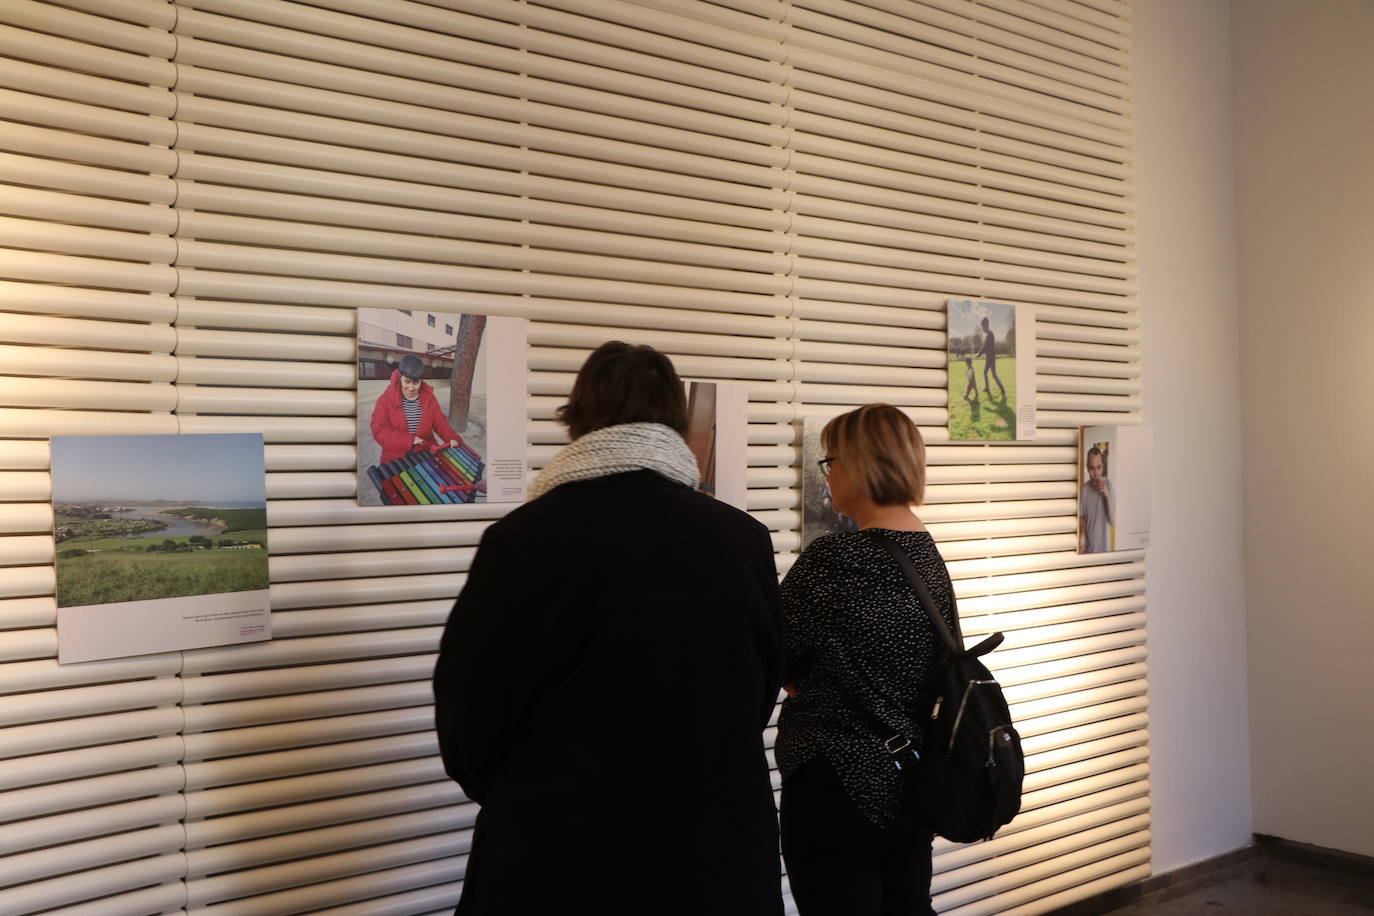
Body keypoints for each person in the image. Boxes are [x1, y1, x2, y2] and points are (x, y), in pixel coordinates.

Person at [433, 341, 785, 916]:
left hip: (559, 856)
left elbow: (469, 718)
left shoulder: (522, 541)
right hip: (714, 853)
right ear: (674, 420)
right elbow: (760, 687)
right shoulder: (741, 539)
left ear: (580, 417)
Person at [777, 404, 957, 916]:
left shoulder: (837, 558)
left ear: (860, 466)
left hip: (837, 781)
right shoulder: (925, 550)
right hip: (911, 777)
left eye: (831, 462)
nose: (828, 476)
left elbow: (775, 653)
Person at [370, 353, 459, 464]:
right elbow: (379, 431)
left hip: (424, 453)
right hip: (396, 458)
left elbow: (439, 421)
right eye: (407, 381)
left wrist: (450, 437)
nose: (411, 388)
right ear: (400, 377)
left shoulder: (429, 398)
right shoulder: (385, 400)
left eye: (416, 382)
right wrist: (409, 440)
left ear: (421, 380)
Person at [1079, 445, 1116, 553]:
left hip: (1105, 552)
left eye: (1099, 467)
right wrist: (1082, 535)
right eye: (1092, 468)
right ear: (1087, 468)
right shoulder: (1084, 489)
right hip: (1088, 552)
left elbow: (1113, 522)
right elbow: (1082, 516)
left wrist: (1107, 496)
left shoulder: (1109, 485)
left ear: (1103, 467)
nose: (1096, 473)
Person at [980, 316, 1006, 399]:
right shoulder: (988, 335)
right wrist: (979, 352)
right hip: (988, 359)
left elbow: (986, 346)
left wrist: (979, 353)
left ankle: (1003, 392)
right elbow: (984, 345)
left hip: (991, 360)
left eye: (983, 327)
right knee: (984, 373)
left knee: (994, 376)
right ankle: (987, 388)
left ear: (986, 325)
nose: (982, 329)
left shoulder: (990, 334)